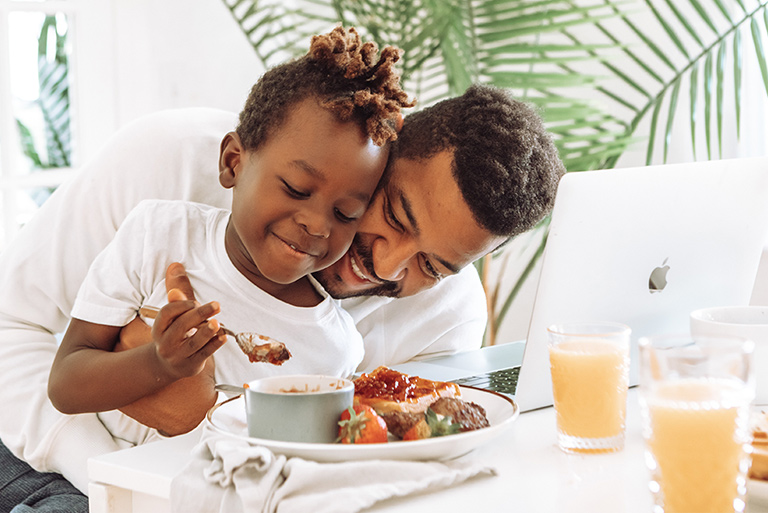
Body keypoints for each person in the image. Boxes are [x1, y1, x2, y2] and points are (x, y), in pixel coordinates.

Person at [0, 40, 564, 513]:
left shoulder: (449, 316)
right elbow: (10, 327)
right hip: (43, 457)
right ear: (383, 154)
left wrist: (191, 416)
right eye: (394, 214)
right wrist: (111, 477)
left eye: (433, 266)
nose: (389, 266)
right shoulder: (167, 170)